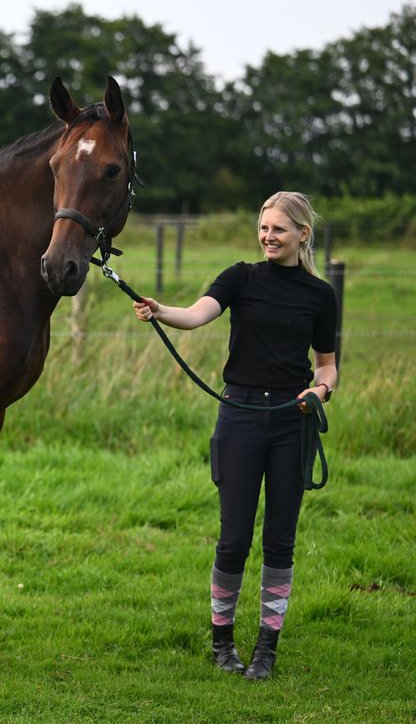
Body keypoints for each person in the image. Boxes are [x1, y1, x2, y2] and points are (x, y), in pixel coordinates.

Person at [133, 191, 338, 680]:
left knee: (280, 541)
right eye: (264, 227)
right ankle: (222, 644)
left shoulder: (320, 296)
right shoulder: (240, 278)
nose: (269, 236)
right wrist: (162, 311)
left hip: (293, 420)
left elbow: (328, 367)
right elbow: (198, 313)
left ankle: (267, 648)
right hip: (240, 416)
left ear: (302, 235)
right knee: (233, 540)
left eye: (279, 229)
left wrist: (320, 391)